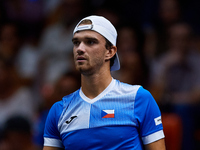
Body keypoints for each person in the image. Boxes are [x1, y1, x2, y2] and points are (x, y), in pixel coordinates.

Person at [43, 15, 166, 150]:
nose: (80, 48)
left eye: (90, 42)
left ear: (110, 51)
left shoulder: (139, 98)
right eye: (76, 42)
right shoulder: (59, 110)